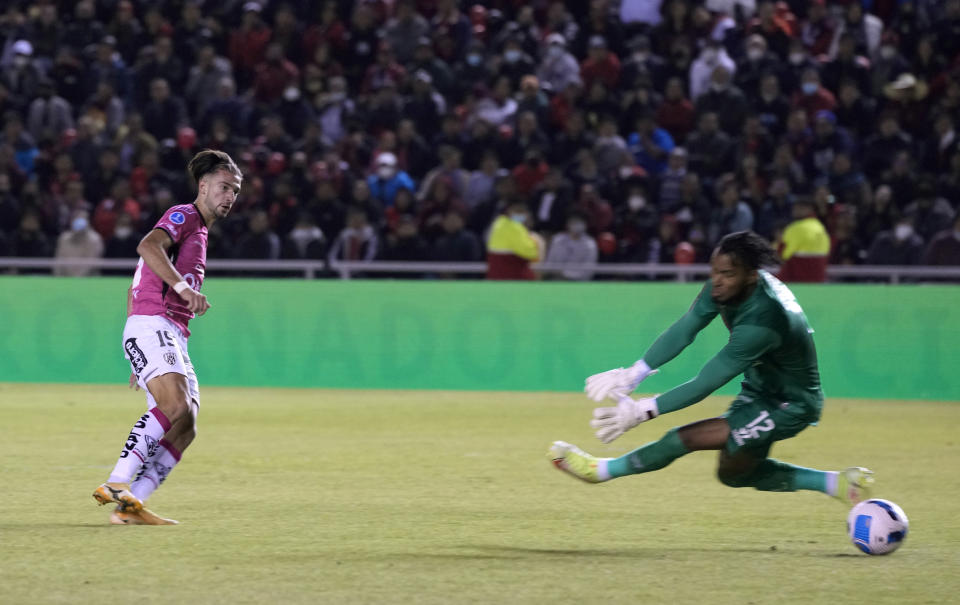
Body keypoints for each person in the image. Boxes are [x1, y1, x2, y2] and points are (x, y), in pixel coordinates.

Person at [549, 231, 874, 508]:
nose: (716, 281)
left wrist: (644, 410)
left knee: (683, 438)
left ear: (751, 275)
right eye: (714, 271)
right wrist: (638, 371)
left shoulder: (764, 319)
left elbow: (708, 380)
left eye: (727, 274)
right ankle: (840, 485)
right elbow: (687, 327)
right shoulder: (727, 288)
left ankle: (599, 470)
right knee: (733, 474)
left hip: (791, 403)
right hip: (762, 390)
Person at [92, 150, 242, 525]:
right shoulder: (185, 216)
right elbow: (147, 246)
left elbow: (138, 274)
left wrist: (138, 356)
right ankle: (116, 482)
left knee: (187, 421)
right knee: (175, 405)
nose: (229, 197)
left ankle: (131, 506)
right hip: (153, 323)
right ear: (203, 186)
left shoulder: (201, 232)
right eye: (223, 187)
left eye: (235, 191)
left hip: (168, 332)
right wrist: (180, 288)